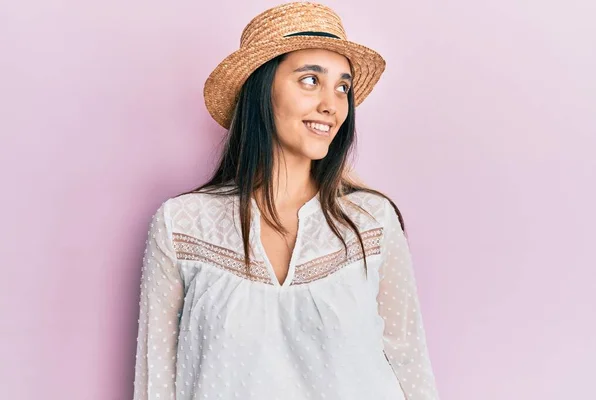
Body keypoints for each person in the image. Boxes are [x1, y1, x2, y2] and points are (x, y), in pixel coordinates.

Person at [132, 2, 440, 399]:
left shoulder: (372, 221)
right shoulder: (181, 225)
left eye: (342, 87)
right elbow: (155, 381)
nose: (332, 104)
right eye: (310, 80)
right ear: (262, 90)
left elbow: (410, 364)